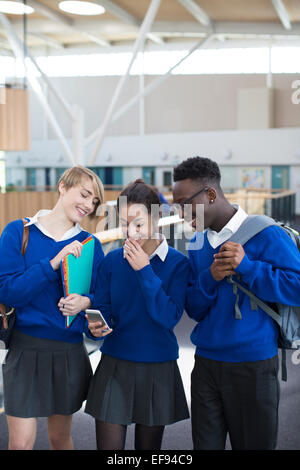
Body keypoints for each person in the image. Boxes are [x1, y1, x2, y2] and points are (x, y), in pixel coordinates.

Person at [172, 156, 300, 450]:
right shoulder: (198, 243)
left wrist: (249, 267)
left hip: (253, 366)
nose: (180, 213)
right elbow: (194, 309)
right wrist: (210, 278)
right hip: (205, 366)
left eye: (184, 203)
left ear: (211, 194)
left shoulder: (266, 232)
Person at [0, 166, 109, 450]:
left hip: (68, 353)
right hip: (24, 351)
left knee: (60, 439)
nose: (87, 205)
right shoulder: (19, 232)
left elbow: (99, 301)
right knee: (21, 444)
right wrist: (52, 264)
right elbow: (8, 292)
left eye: (94, 201)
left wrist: (87, 305)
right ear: (63, 186)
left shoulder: (90, 244)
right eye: (84, 194)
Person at [84, 179, 191, 450]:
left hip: (157, 367)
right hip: (115, 365)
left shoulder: (178, 264)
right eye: (124, 223)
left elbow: (167, 317)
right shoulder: (111, 261)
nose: (131, 232)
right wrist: (94, 328)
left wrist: (145, 270)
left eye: (138, 224)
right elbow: (102, 310)